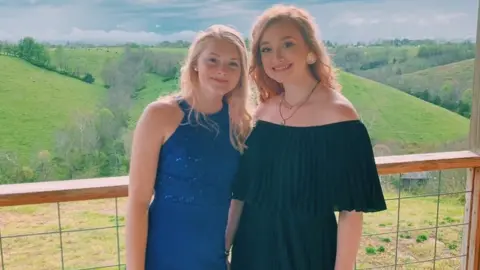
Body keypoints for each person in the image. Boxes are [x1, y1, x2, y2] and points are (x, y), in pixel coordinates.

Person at [225, 5, 387, 270]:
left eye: (287, 44)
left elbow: (351, 211)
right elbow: (242, 194)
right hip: (251, 251)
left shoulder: (341, 116)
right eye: (266, 49)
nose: (276, 56)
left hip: (308, 253)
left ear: (311, 51)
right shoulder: (263, 113)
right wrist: (225, 249)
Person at [126, 24, 252, 270]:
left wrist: (226, 250)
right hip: (162, 257)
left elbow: (240, 197)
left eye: (232, 64)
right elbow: (138, 202)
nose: (222, 71)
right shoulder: (160, 115)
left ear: (241, 73)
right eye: (212, 60)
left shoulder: (241, 124)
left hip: (213, 259)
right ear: (195, 63)